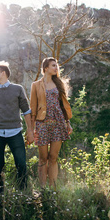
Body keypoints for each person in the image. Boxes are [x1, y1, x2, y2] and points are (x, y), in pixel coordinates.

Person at [0, 61, 34, 192]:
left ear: (3, 73)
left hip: (15, 132)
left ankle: (22, 193)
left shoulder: (18, 89)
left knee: (21, 164)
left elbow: (26, 111)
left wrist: (30, 131)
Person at [30, 57, 73, 189]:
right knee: (43, 158)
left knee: (53, 157)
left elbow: (63, 106)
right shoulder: (36, 85)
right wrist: (31, 130)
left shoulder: (59, 84)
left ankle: (53, 188)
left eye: (56, 66)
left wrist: (68, 123)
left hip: (58, 123)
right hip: (42, 124)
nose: (56, 68)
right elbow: (32, 109)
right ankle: (43, 189)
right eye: (53, 65)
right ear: (46, 68)